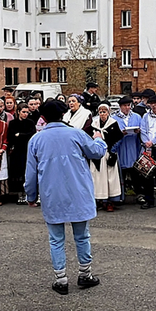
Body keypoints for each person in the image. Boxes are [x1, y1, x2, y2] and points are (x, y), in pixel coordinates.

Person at [25, 100, 106, 296]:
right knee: (82, 235)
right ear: (63, 115)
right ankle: (85, 274)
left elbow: (30, 173)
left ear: (43, 117)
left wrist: (31, 195)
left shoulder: (36, 140)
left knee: (56, 239)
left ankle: (61, 279)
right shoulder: (76, 134)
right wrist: (99, 138)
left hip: (52, 193)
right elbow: (97, 152)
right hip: (77, 191)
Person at [90, 103, 124, 211]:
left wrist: (113, 151)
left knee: (110, 178)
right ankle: (100, 199)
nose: (102, 114)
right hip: (98, 155)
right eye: (100, 112)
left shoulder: (113, 124)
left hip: (109, 153)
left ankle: (110, 201)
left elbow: (119, 138)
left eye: (104, 112)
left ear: (108, 112)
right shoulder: (94, 124)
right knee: (97, 178)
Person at [112, 96, 143, 201]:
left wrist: (138, 131)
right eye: (125, 106)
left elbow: (143, 131)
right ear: (120, 107)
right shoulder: (114, 118)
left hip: (133, 146)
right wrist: (120, 134)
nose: (127, 108)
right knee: (120, 173)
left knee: (135, 172)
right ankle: (120, 195)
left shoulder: (137, 117)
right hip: (120, 148)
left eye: (129, 105)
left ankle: (139, 194)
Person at [7, 103, 36, 205]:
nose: (25, 114)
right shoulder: (13, 123)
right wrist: (20, 136)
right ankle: (19, 194)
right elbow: (11, 136)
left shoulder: (30, 123)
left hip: (27, 150)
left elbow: (32, 134)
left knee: (27, 172)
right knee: (17, 173)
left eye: (27, 112)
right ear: (18, 112)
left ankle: (28, 194)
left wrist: (20, 135)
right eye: (23, 112)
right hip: (16, 151)